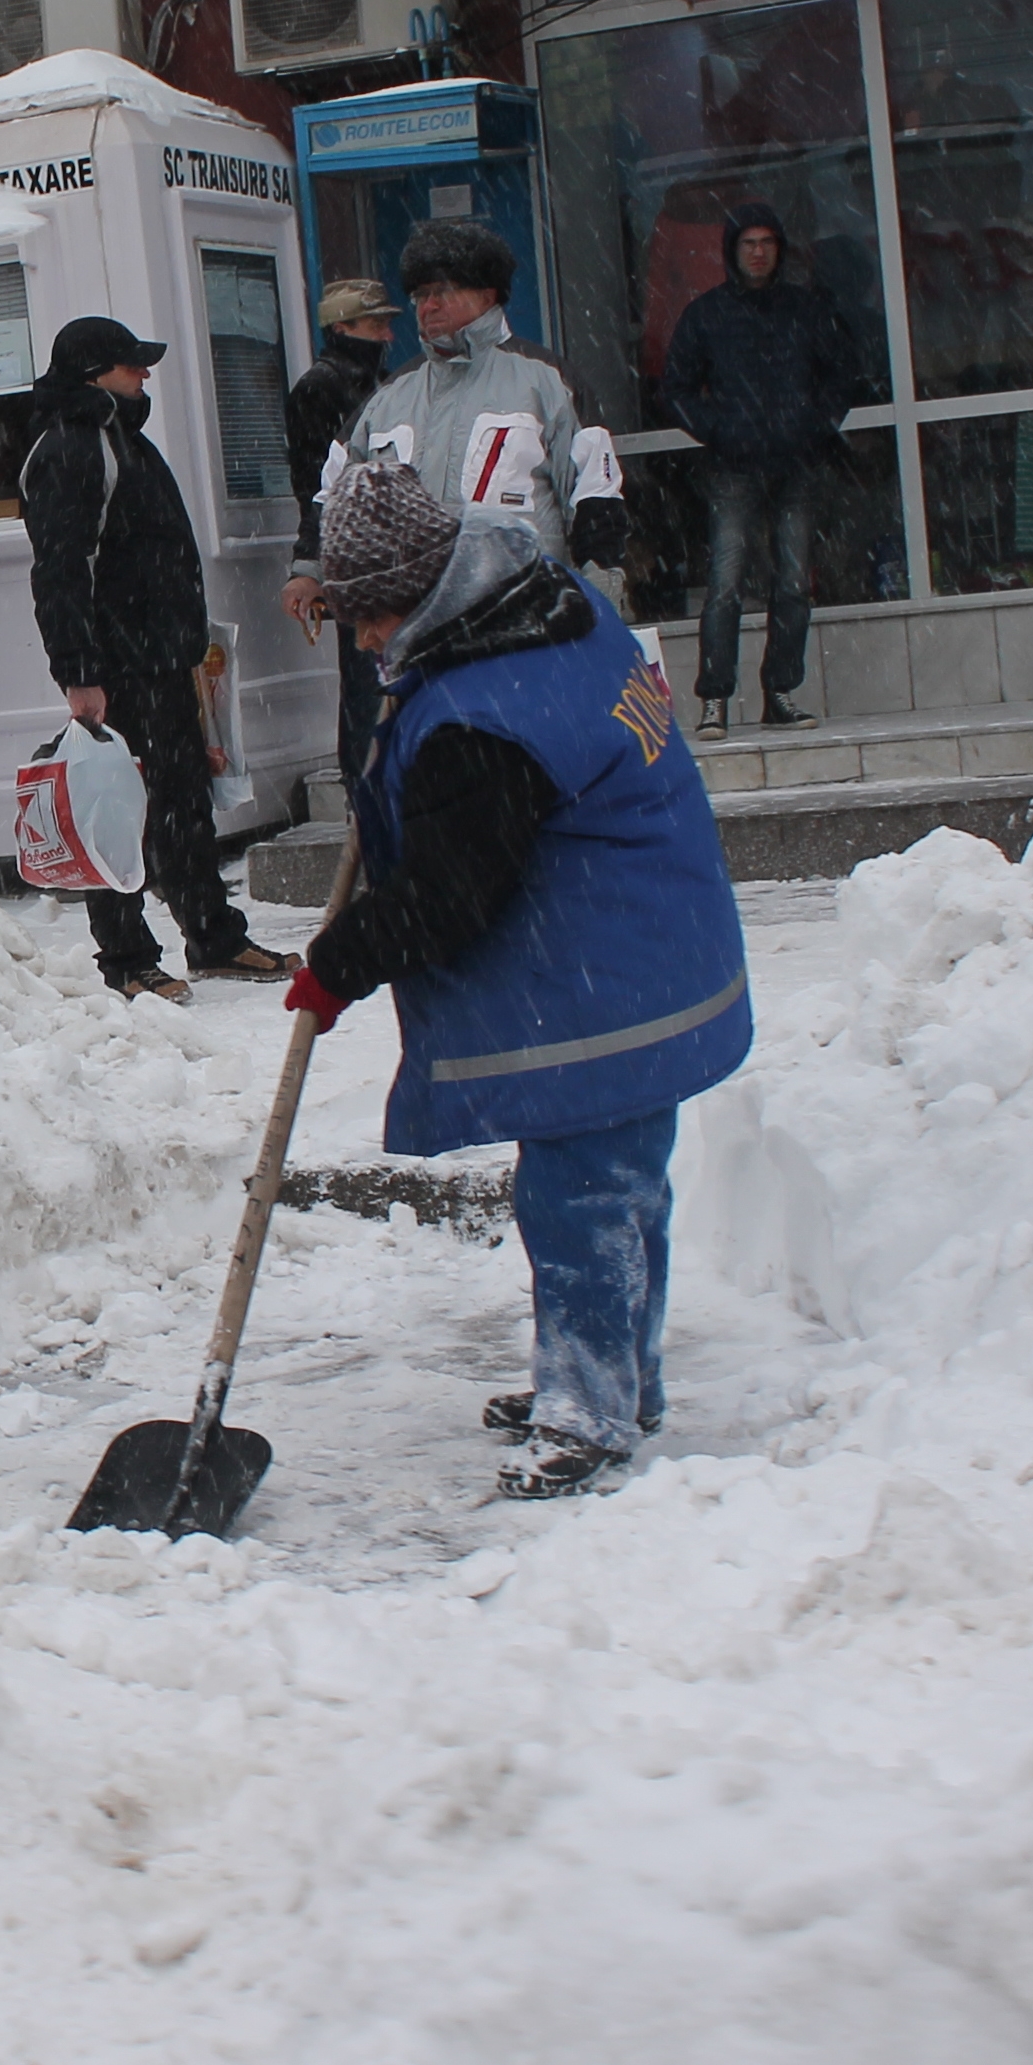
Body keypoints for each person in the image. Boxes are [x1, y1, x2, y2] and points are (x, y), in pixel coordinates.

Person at [278, 466, 752, 1500]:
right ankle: (619, 1380)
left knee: (581, 1197)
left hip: (612, 973)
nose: (363, 640)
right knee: (620, 1189)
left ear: (431, 587)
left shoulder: (485, 715)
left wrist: (337, 964)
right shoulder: (543, 606)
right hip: (648, 939)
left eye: (373, 615)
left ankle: (590, 1412)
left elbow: (451, 896)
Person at [22, 314, 286, 1002]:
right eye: (131, 365)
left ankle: (214, 936)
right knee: (116, 812)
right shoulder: (73, 449)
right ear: (92, 376)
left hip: (164, 661)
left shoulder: (123, 440)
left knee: (182, 803)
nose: (146, 375)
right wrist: (79, 672)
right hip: (116, 668)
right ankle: (128, 959)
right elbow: (60, 569)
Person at [279, 220, 604, 651]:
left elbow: (595, 498)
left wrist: (601, 591)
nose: (427, 306)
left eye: (442, 292)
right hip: (416, 628)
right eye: (419, 295)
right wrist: (309, 568)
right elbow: (335, 495)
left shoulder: (549, 384)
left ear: (487, 296)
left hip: (526, 623)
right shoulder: (389, 397)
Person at [659, 200, 863, 734]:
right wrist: (720, 428)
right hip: (733, 468)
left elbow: (843, 372)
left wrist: (815, 425)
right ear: (733, 250)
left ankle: (780, 692)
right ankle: (715, 700)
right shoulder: (708, 314)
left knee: (793, 584)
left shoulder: (806, 309)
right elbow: (675, 386)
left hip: (796, 466)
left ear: (780, 250)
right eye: (748, 243)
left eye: (766, 243)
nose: (757, 252)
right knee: (724, 586)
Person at [291, 278, 404, 800]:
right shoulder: (322, 387)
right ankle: (363, 781)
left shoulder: (383, 383)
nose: (386, 334)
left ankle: (377, 775)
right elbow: (317, 481)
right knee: (365, 672)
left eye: (387, 322)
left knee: (379, 667)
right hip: (352, 548)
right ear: (342, 328)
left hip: (384, 547)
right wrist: (312, 558)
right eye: (374, 323)